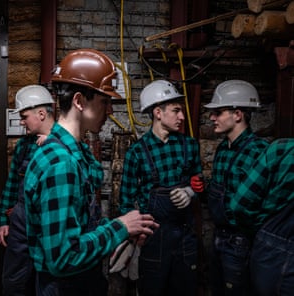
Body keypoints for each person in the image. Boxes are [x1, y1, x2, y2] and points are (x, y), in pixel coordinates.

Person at [23, 48, 159, 296]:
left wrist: (124, 231)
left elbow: (80, 223)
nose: (109, 111)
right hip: (66, 286)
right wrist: (119, 228)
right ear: (79, 101)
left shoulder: (71, 151)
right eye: (104, 101)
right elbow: (63, 257)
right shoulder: (61, 165)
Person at [119, 79, 204, 296]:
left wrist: (191, 192)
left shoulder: (189, 145)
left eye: (182, 111)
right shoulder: (137, 153)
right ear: (158, 112)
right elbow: (126, 201)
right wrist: (134, 238)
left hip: (186, 237)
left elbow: (200, 183)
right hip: (154, 239)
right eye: (176, 111)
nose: (182, 117)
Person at [203, 79, 269, 296]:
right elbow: (221, 191)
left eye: (219, 112)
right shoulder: (223, 149)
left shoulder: (259, 151)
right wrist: (202, 189)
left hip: (242, 241)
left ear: (238, 114)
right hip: (218, 237)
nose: (212, 117)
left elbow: (262, 204)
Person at [0, 84, 55, 296]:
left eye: (24, 116)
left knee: (47, 284)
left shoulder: (68, 141)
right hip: (22, 221)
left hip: (50, 223)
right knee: (13, 282)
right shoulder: (24, 146)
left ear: (41, 114)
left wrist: (55, 144)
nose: (21, 122)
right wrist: (3, 219)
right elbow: (12, 183)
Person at [229, 138, 294, 296]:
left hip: (273, 250)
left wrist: (260, 231)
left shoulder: (282, 149)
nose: (212, 118)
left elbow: (240, 205)